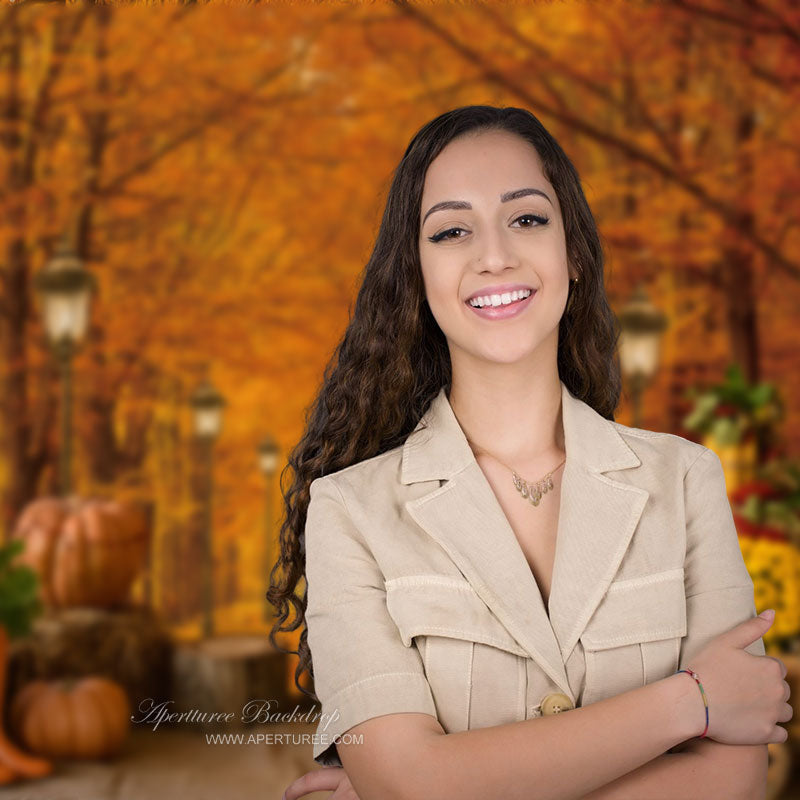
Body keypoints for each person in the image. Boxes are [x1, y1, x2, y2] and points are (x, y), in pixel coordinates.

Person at [271, 105, 792, 800]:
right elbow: (409, 785)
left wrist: (438, 785)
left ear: (571, 251)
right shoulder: (349, 512)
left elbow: (734, 782)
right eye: (452, 231)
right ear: (417, 276)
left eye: (527, 218)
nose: (495, 255)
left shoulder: (687, 480)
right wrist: (691, 702)